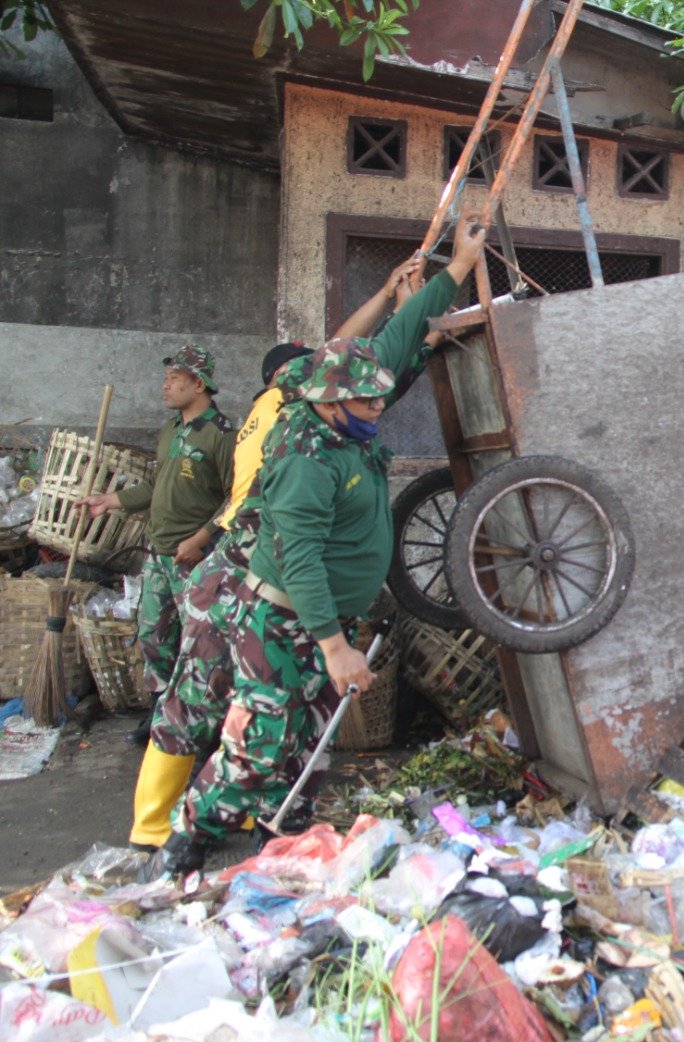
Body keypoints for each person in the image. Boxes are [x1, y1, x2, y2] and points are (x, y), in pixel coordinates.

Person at [152, 217, 487, 876]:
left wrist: (458, 268)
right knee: (263, 742)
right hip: (283, 619)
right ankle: (184, 843)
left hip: (321, 620)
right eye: (363, 402)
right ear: (329, 404)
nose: (376, 407)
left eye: (376, 397)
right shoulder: (306, 453)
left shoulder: (347, 402)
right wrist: (335, 646)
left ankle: (282, 845)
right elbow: (299, 555)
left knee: (307, 746)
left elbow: (392, 342)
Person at [81, 347, 234, 743]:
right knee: (153, 637)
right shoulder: (170, 430)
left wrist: (201, 539)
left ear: (199, 385)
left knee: (199, 644)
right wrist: (110, 501)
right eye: (166, 379)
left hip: (198, 558)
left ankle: (202, 725)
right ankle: (160, 715)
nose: (165, 387)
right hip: (159, 552)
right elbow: (156, 484)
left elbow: (238, 497)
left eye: (174, 380)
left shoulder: (220, 434)